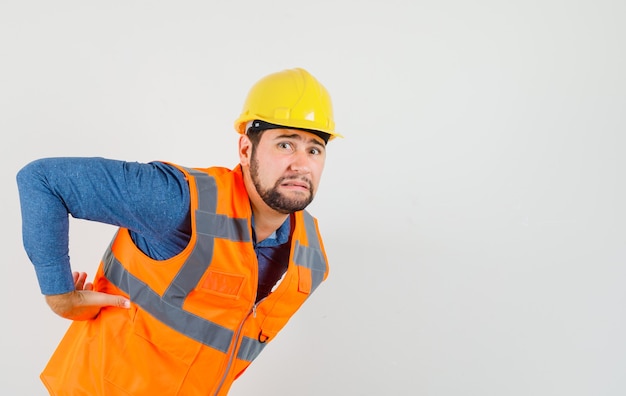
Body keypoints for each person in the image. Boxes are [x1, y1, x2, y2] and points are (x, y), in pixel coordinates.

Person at [16, 67, 342, 396]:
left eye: (314, 149)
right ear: (245, 150)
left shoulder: (309, 261)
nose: (301, 164)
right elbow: (42, 180)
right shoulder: (176, 200)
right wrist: (59, 294)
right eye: (285, 145)